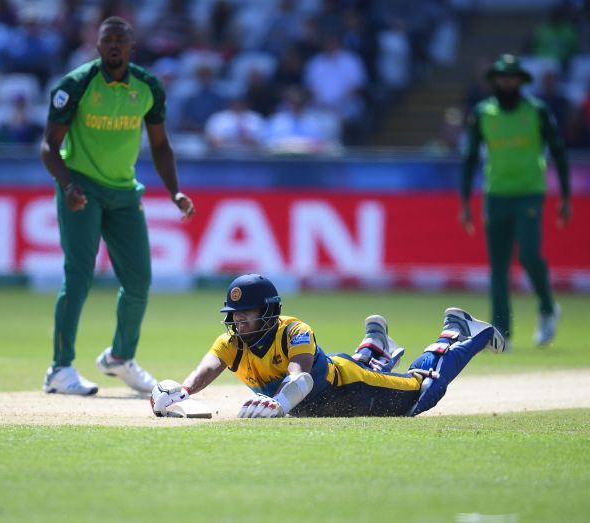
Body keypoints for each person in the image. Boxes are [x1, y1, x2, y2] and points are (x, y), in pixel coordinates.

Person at [40, 16, 195, 396]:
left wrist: (175, 191)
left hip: (125, 192)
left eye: (120, 41)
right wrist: (69, 185)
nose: (113, 45)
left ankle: (120, 357)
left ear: (131, 48)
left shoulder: (148, 87)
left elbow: (161, 145)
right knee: (79, 275)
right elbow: (49, 146)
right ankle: (59, 369)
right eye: (107, 39)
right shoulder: (75, 85)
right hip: (82, 188)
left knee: (139, 280)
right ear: (97, 45)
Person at [151, 274, 505, 418]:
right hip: (319, 398)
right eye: (235, 315)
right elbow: (207, 369)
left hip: (350, 387)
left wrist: (277, 404)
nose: (240, 322)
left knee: (420, 391)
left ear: (269, 312)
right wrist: (180, 391)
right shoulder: (230, 342)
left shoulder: (294, 330)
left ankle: (458, 332)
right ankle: (374, 346)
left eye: (248, 315)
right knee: (391, 377)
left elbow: (300, 376)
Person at [460, 54, 571, 347]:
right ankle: (501, 333)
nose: (507, 82)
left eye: (512, 77)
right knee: (498, 267)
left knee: (529, 254)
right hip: (495, 194)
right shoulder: (484, 112)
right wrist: (465, 203)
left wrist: (566, 197)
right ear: (495, 80)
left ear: (521, 81)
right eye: (502, 77)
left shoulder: (537, 110)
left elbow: (558, 151)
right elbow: (470, 158)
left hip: (529, 191)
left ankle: (548, 308)